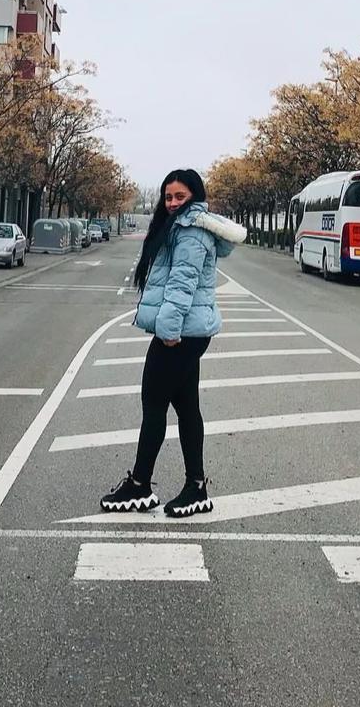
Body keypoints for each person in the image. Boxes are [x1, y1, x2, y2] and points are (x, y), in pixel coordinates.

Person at [99, 168, 247, 518]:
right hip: (189, 332)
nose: (172, 203)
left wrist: (167, 331)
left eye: (180, 196)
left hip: (180, 333)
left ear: (195, 197)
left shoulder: (191, 231)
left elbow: (182, 284)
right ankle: (195, 487)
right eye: (168, 197)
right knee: (186, 407)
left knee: (154, 403)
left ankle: (140, 484)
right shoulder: (181, 227)